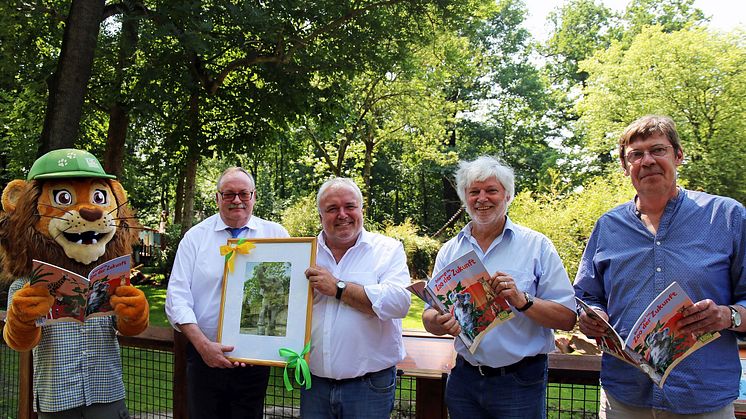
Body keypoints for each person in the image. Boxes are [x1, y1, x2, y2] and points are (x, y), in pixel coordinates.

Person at [574, 115, 745, 418]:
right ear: (626, 167)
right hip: (624, 396)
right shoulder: (608, 226)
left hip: (701, 397)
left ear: (678, 156)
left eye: (658, 150)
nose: (647, 160)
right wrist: (592, 316)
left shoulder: (727, 217)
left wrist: (727, 315)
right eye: (636, 155)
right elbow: (586, 295)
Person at [422, 156, 577, 419]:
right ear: (465, 198)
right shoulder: (450, 251)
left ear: (507, 196)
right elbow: (428, 316)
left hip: (519, 383)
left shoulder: (536, 246)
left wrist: (522, 299)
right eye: (474, 192)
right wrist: (440, 321)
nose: (482, 198)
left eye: (491, 190)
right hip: (464, 380)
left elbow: (567, 317)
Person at [1, 148, 149, 419]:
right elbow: (19, 343)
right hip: (57, 397)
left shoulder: (111, 277)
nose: (90, 211)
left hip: (107, 392)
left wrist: (135, 314)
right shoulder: (26, 285)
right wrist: (21, 321)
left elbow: (125, 327)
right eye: (63, 198)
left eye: (99, 197)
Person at [165, 167, 289, 419]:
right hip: (204, 358)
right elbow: (176, 299)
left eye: (244, 193)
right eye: (229, 194)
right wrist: (203, 346)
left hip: (256, 362)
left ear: (254, 196)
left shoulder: (276, 235)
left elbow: (289, 294)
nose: (236, 200)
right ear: (217, 198)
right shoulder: (195, 238)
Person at [301, 177, 411, 419]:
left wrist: (338, 288)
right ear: (320, 216)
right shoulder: (303, 253)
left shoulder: (387, 249)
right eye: (332, 209)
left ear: (362, 210)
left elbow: (399, 303)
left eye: (349, 206)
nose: (342, 214)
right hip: (313, 384)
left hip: (369, 387)